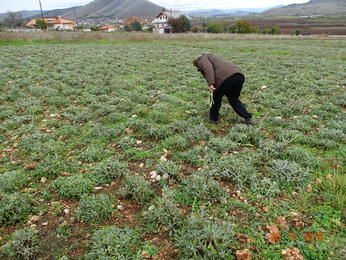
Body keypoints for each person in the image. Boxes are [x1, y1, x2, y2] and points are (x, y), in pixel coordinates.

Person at [193, 54, 253, 125]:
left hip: (226, 77)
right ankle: (248, 117)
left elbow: (208, 68)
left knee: (215, 97)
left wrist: (211, 83)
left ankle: (213, 119)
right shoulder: (212, 57)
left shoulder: (202, 59)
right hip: (239, 75)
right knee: (233, 99)